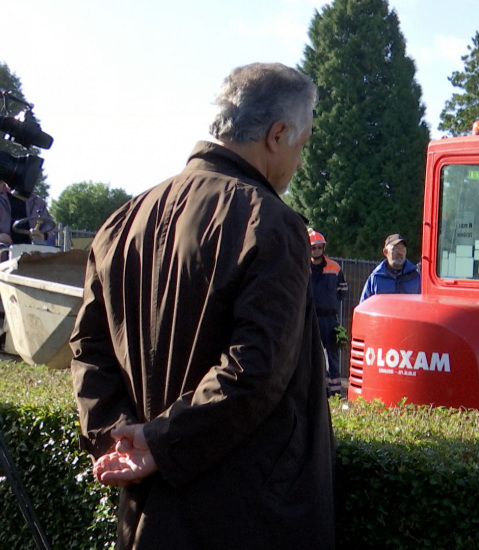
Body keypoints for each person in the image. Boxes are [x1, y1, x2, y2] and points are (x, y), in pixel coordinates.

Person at [69, 63, 335, 550]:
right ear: (277, 135)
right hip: (245, 517)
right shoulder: (270, 223)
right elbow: (255, 369)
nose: (300, 158)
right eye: (303, 142)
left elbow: (88, 350)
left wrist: (118, 436)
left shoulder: (121, 223)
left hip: (144, 513)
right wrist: (157, 442)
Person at [309, 228, 348, 396]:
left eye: (319, 247)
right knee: (310, 356)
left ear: (324, 247)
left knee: (332, 357)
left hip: (330, 319)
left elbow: (343, 290)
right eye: (313, 247)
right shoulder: (302, 266)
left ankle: (336, 394)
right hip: (310, 319)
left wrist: (331, 303)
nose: (316, 250)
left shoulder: (335, 267)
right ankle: (314, 392)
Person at [359, 233, 421, 302]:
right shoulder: (376, 278)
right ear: (385, 252)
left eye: (402, 248)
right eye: (395, 249)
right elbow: (364, 305)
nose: (400, 253)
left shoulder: (416, 277)